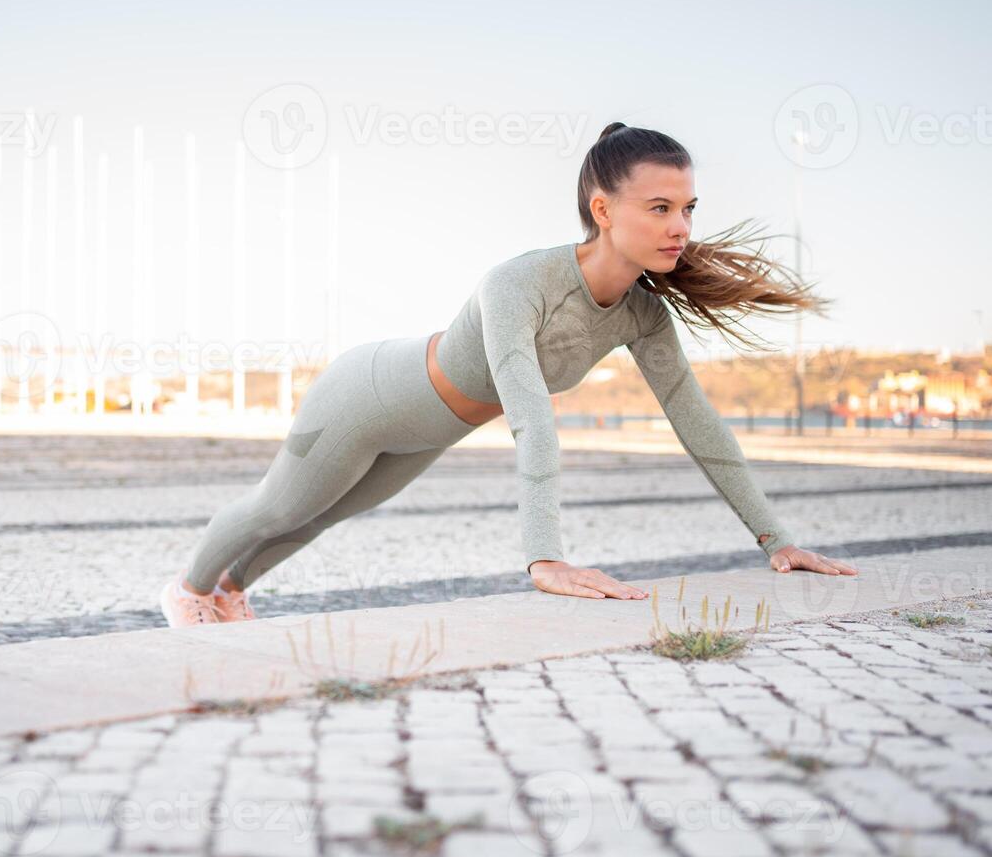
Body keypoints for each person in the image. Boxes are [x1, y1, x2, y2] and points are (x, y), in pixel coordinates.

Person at [159, 122, 858, 627]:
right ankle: (188, 591)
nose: (680, 226)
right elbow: (530, 417)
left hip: (430, 428)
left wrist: (776, 539)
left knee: (332, 511)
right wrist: (544, 558)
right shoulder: (518, 284)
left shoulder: (642, 315)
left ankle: (228, 594)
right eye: (660, 208)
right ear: (603, 210)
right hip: (366, 394)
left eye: (687, 209)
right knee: (279, 508)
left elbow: (696, 420)